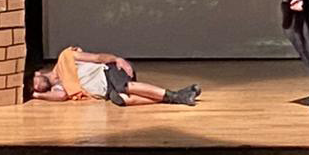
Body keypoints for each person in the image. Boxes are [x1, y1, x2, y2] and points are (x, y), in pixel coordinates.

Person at [30, 46, 199, 106]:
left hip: (109, 71)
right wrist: (36, 95)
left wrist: (117, 59)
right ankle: (178, 96)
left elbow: (97, 58)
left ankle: (176, 96)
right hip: (107, 91)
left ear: (37, 73)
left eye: (32, 82)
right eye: (33, 88)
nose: (35, 86)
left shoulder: (65, 57)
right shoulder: (59, 89)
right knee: (121, 99)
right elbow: (61, 96)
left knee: (125, 87)